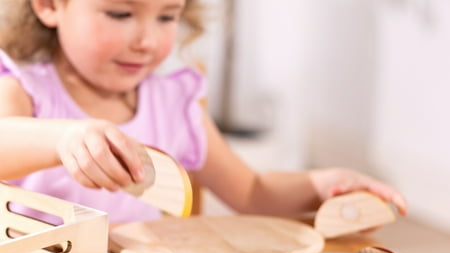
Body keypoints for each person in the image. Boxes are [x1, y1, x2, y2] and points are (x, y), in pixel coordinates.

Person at [0, 0, 407, 224]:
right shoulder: (24, 89)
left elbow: (252, 192)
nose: (146, 40)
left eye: (167, 16)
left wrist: (322, 185)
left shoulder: (175, 105)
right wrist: (65, 137)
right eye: (121, 13)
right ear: (49, 6)